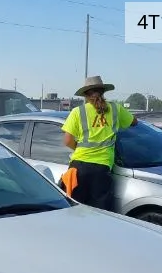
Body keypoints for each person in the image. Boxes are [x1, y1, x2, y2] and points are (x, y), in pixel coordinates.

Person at [59, 75, 137, 211]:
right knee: (100, 214)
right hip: (102, 169)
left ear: (85, 95)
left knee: (75, 212)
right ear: (103, 91)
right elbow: (134, 122)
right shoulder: (115, 109)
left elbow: (67, 141)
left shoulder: (78, 112)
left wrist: (79, 148)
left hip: (78, 169)